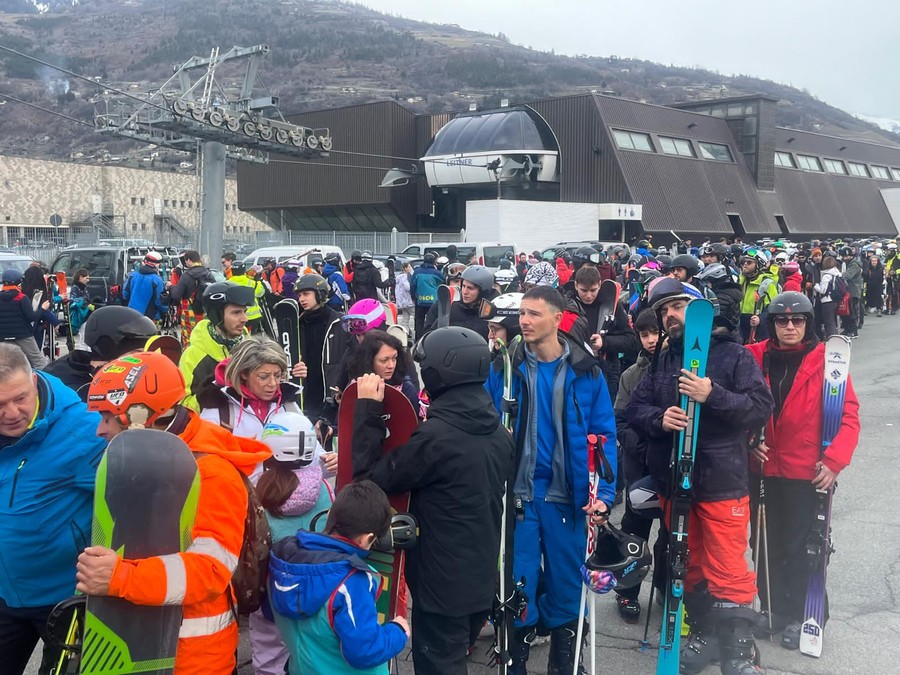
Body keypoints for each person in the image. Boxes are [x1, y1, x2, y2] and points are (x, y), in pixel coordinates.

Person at [78, 350, 270, 675]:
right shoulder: (145, 462)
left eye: (108, 416)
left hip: (193, 659)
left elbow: (210, 571)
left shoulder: (211, 473)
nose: (99, 429)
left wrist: (120, 577)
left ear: (142, 415)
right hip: (144, 646)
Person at [625, 278, 774, 675]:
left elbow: (760, 407)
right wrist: (660, 419)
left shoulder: (734, 355)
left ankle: (740, 654)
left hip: (722, 481)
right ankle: (705, 635)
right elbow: (634, 412)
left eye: (677, 306)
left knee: (727, 567)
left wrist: (715, 396)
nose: (671, 316)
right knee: (686, 565)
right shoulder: (662, 360)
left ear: (697, 307)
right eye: (664, 311)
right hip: (676, 484)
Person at [352, 327, 514, 674]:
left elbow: (368, 483)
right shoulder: (500, 433)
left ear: (439, 374)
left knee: (439, 664)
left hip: (442, 587)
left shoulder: (436, 439)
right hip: (480, 577)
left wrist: (366, 410)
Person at [485, 286, 617, 674]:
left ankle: (565, 665)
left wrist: (605, 494)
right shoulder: (504, 368)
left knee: (566, 587)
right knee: (517, 584)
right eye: (522, 313)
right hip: (518, 498)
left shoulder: (585, 370)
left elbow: (604, 435)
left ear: (558, 319)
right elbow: (486, 424)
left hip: (569, 498)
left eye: (533, 314)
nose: (524, 321)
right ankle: (514, 663)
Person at [744, 291, 859, 650]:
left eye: (797, 321)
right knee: (763, 543)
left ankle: (803, 614)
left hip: (804, 471)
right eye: (781, 320)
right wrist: (747, 438)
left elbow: (849, 417)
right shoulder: (754, 357)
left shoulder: (827, 361)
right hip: (762, 468)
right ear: (771, 324)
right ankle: (774, 607)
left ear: (808, 324)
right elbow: (738, 407)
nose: (789, 326)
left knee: (801, 546)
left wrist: (835, 460)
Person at [0, 343, 106, 674]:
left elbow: (136, 496)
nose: (12, 413)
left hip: (64, 599)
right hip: (5, 595)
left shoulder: (85, 429)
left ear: (34, 381)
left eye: (20, 399)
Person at [268, 480, 407, 675]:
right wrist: (397, 632)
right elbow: (364, 652)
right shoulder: (353, 581)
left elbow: (270, 612)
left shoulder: (282, 559)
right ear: (367, 538)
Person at [245, 411, 335, 675]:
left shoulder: (254, 489)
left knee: (268, 656)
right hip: (316, 590)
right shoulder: (324, 487)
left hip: (270, 593)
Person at [198, 334, 332, 475]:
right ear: (244, 374)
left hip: (285, 495)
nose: (273, 383)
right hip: (239, 494)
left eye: (278, 375)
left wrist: (328, 462)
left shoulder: (288, 406)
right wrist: (234, 452)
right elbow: (202, 463)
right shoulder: (219, 409)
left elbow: (312, 456)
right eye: (264, 377)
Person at [612, 308, 665, 623]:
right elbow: (621, 420)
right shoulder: (631, 375)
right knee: (635, 532)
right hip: (639, 466)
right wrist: (641, 447)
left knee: (672, 534)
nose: (650, 340)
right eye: (644, 334)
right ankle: (627, 590)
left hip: (670, 466)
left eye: (655, 333)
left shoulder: (678, 368)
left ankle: (664, 586)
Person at [43, 305, 159, 401]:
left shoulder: (82, 369)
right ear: (109, 348)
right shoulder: (78, 391)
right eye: (136, 354)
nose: (142, 361)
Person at [180, 281, 254, 411]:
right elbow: (182, 405)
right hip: (211, 428)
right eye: (236, 313)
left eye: (244, 312)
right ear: (217, 315)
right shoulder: (193, 355)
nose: (244, 319)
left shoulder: (251, 349)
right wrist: (208, 399)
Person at [295, 273, 349, 423]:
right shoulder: (298, 324)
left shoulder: (340, 322)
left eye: (306, 294)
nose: (302, 299)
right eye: (299, 295)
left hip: (330, 395)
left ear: (320, 294)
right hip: (307, 392)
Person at [347, 330, 420, 416]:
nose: (391, 365)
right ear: (369, 361)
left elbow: (413, 423)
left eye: (394, 358)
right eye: (384, 360)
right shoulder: (355, 387)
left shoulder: (406, 389)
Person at [0, 268, 50, 369]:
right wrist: (43, 309)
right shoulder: (21, 297)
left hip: (3, 336)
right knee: (38, 360)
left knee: (8, 364)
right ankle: (43, 382)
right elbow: (31, 317)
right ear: (18, 282)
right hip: (23, 335)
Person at [167, 249, 214, 348]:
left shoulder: (186, 276)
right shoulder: (209, 274)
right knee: (205, 337)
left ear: (188, 260)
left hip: (190, 315)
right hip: (206, 314)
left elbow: (176, 295)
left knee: (189, 340)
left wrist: (170, 286)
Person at [738, 249, 778, 344]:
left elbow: (773, 307)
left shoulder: (767, 283)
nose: (745, 264)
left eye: (749, 262)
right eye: (744, 262)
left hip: (758, 329)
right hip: (740, 326)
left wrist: (760, 318)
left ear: (759, 265)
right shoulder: (740, 281)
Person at [123, 251, 168, 321]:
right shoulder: (157, 280)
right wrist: (165, 310)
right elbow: (159, 301)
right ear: (156, 264)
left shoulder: (132, 275)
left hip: (131, 315)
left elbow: (125, 295)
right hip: (149, 319)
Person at [410, 252, 443, 338]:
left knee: (419, 321)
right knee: (432, 321)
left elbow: (412, 286)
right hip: (433, 302)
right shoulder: (437, 273)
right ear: (433, 262)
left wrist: (413, 298)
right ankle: (431, 338)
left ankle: (418, 339)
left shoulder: (417, 272)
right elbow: (443, 285)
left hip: (420, 301)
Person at [228, 261, 267, 334]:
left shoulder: (227, 283)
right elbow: (261, 293)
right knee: (252, 338)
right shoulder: (251, 282)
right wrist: (258, 281)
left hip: (235, 317)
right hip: (253, 317)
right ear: (243, 270)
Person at [813, 256, 843, 338]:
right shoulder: (838, 273)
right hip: (835, 299)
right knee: (833, 320)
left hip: (827, 300)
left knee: (829, 322)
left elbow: (823, 290)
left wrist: (815, 285)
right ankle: (834, 336)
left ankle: (831, 338)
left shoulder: (827, 276)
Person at [838, 247, 862, 337]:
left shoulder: (854, 265)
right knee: (845, 312)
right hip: (847, 290)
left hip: (853, 291)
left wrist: (838, 276)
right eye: (844, 256)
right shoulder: (846, 264)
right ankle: (847, 329)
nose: (845, 258)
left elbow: (848, 275)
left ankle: (853, 330)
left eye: (847, 256)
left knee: (851, 312)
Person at [394, 261, 415, 339]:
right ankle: (415, 334)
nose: (410, 268)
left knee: (405, 320)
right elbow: (408, 288)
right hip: (408, 301)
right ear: (405, 268)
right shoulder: (405, 277)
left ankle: (405, 335)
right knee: (416, 315)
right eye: (409, 267)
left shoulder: (398, 277)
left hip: (402, 302)